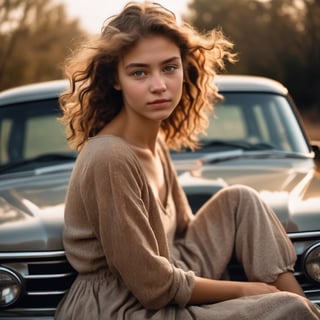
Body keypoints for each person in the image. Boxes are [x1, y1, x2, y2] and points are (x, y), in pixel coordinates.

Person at [55, 2, 320, 319]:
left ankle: (303, 307)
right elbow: (153, 286)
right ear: (115, 79)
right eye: (139, 72)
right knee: (285, 309)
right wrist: (243, 290)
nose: (159, 86)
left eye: (169, 68)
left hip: (171, 271)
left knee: (241, 200)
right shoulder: (110, 157)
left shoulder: (155, 142)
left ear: (184, 67)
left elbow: (182, 233)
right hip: (122, 307)